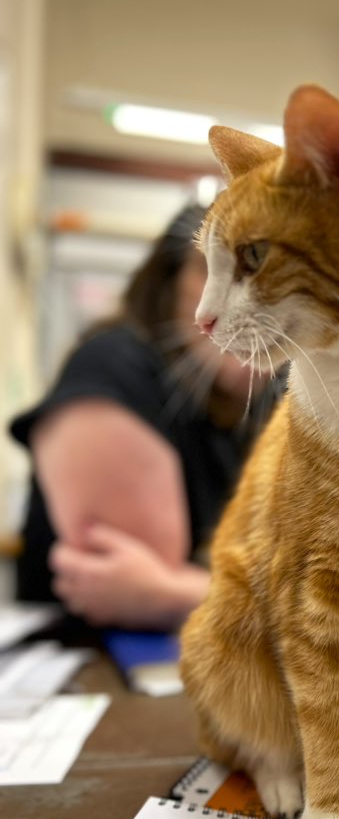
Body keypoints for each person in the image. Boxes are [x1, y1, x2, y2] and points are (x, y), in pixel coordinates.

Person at [9, 203, 283, 634]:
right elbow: (123, 592)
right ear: (168, 284)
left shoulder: (260, 407)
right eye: (213, 268)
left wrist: (178, 592)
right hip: (94, 672)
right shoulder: (115, 366)